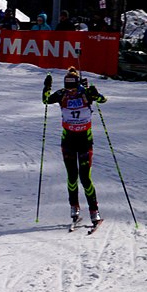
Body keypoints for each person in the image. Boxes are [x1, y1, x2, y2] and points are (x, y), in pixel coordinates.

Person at [42, 67, 107, 226]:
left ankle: (94, 210)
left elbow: (102, 100)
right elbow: (45, 100)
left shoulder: (85, 93)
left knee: (85, 178)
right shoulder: (61, 94)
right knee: (72, 177)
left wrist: (95, 92)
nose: (70, 92)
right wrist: (47, 86)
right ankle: (74, 207)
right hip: (68, 141)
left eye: (73, 88)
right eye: (67, 87)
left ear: (78, 84)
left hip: (85, 141)